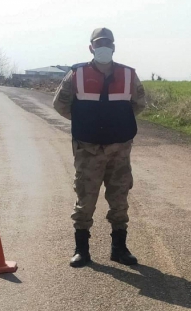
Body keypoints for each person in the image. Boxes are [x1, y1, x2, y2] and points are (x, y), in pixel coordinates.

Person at [53, 28, 146, 268]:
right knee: (86, 200)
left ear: (114, 47)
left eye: (107, 43)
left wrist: (116, 123)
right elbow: (60, 104)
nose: (103, 47)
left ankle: (119, 249)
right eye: (99, 43)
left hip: (119, 148)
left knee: (120, 199)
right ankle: (81, 250)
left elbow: (138, 104)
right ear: (91, 48)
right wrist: (85, 122)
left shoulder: (128, 75)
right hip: (88, 148)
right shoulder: (77, 74)